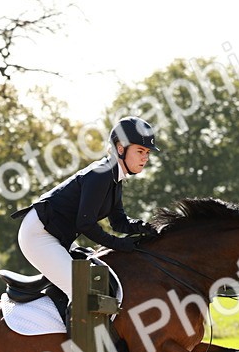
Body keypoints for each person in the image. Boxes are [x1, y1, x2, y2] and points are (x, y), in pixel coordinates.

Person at [13, 116, 161, 300]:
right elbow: (85, 224)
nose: (145, 158)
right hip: (38, 235)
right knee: (83, 294)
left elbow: (118, 222)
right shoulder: (102, 174)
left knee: (100, 281)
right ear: (121, 148)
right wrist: (120, 244)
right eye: (140, 151)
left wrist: (145, 228)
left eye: (147, 152)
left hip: (57, 235)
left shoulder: (115, 178)